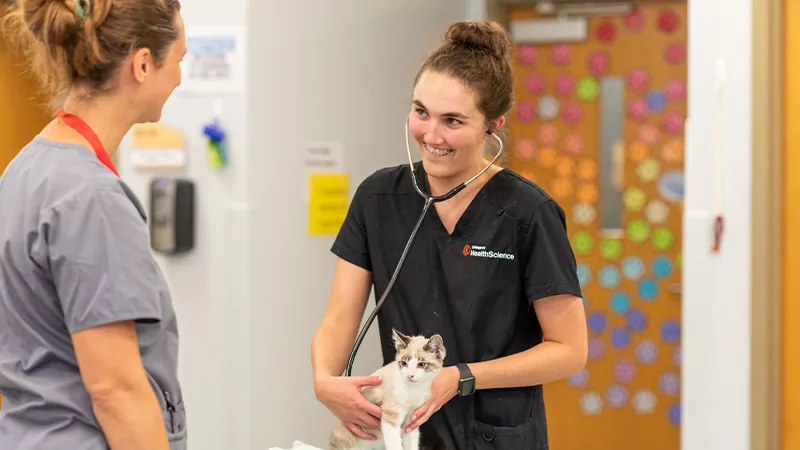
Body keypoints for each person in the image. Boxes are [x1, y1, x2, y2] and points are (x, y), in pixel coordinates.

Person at [311, 19, 588, 449]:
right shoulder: (377, 198)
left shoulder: (528, 214)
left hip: (497, 436)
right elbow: (338, 319)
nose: (431, 135)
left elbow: (570, 350)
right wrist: (325, 380)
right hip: (408, 433)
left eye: (453, 121)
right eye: (421, 112)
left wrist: (461, 377)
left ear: (493, 125)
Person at [0, 1, 187, 449]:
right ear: (143, 64)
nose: (180, 78)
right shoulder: (91, 197)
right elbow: (115, 390)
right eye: (179, 59)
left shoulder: (27, 167)